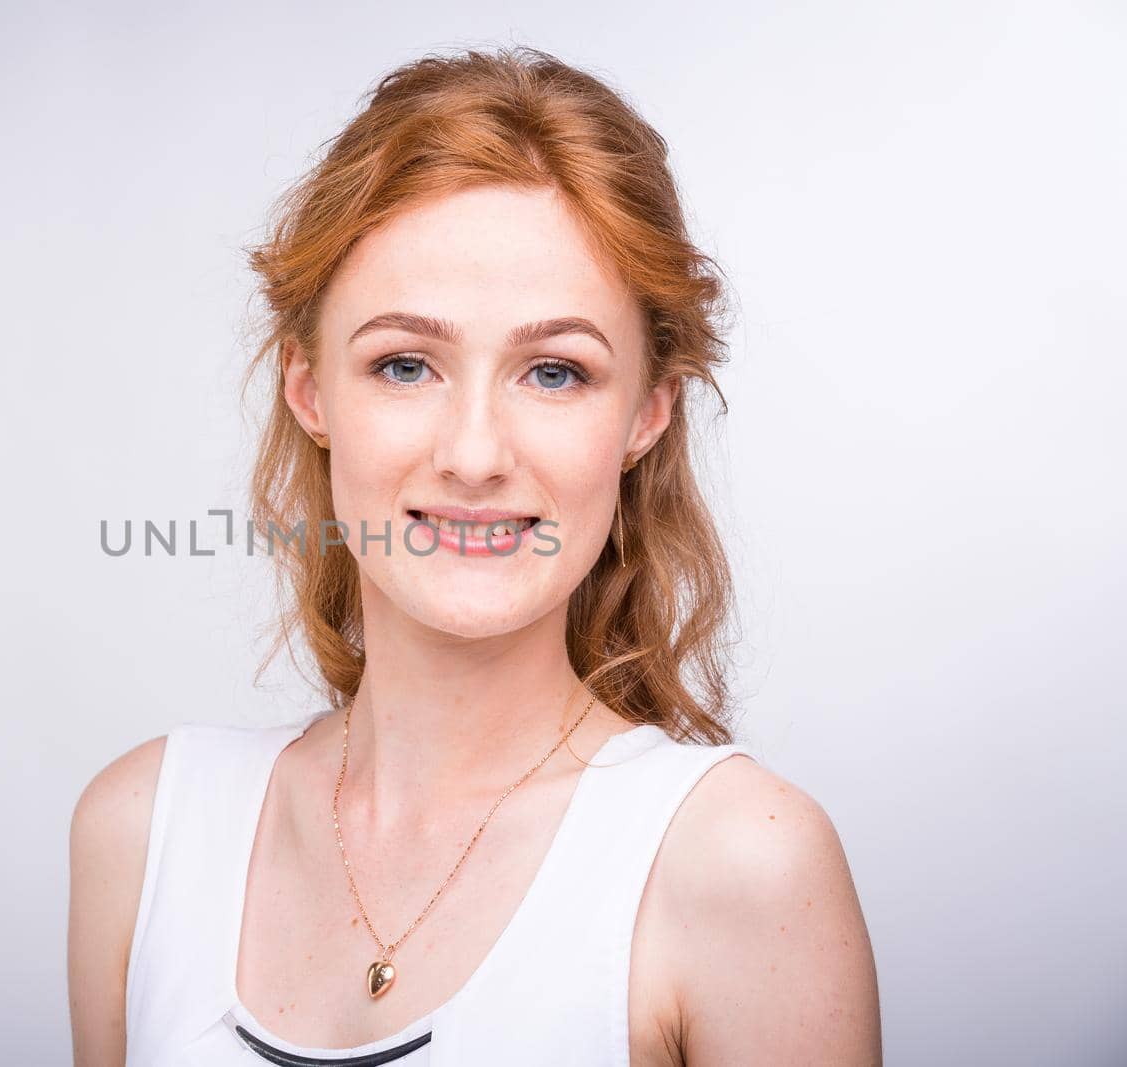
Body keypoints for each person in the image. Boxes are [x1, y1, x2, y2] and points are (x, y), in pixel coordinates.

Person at [69, 45, 881, 1066]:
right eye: (404, 364)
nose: (473, 455)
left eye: (553, 372)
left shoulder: (738, 861)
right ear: (310, 390)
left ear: (645, 412)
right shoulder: (142, 831)